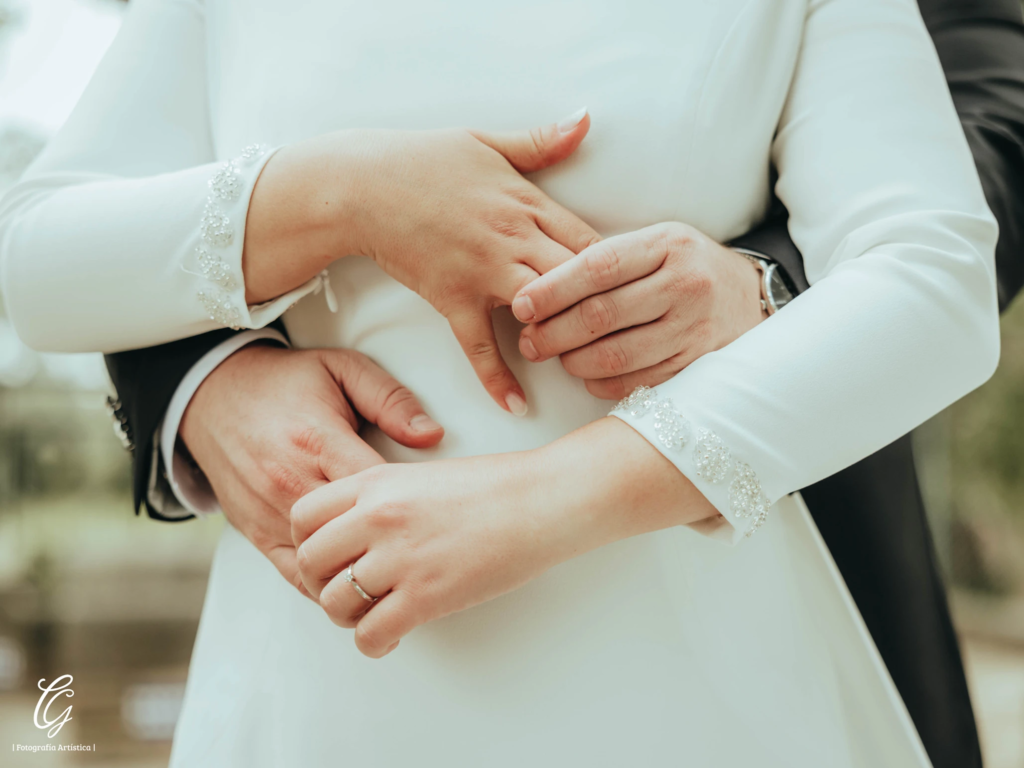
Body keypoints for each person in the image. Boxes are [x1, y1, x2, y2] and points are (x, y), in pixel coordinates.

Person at [0, 0, 1002, 766]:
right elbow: (35, 255)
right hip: (321, 666)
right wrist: (341, 196)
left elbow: (932, 272)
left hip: (698, 667)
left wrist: (548, 500)